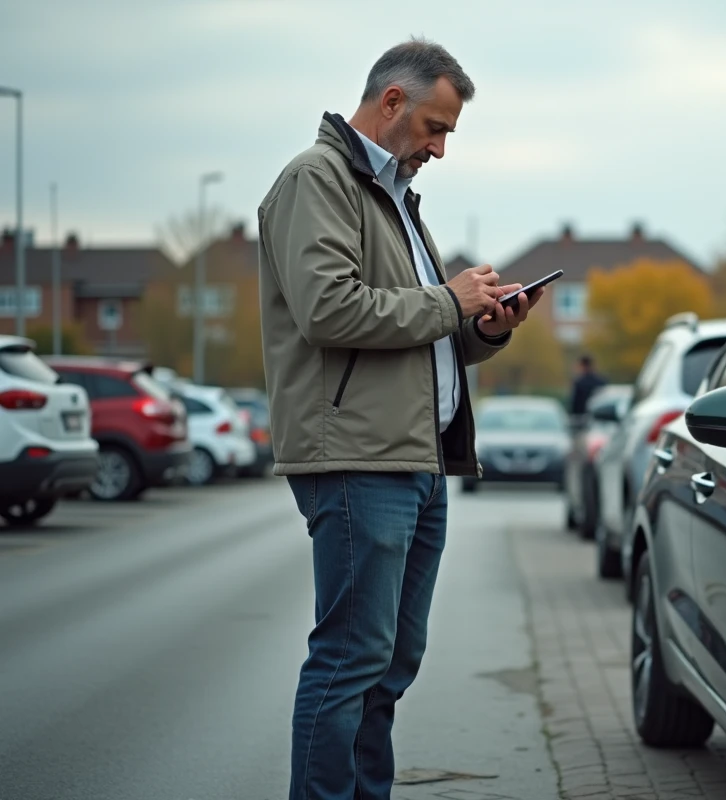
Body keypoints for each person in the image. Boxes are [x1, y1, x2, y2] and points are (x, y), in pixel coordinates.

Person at [256, 38, 543, 800]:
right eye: (435, 127)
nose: (441, 149)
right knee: (351, 659)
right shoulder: (315, 181)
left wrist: (485, 325)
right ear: (391, 104)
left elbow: (422, 339)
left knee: (388, 666)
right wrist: (450, 299)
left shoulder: (395, 199)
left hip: (416, 463)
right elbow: (329, 309)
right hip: (356, 461)